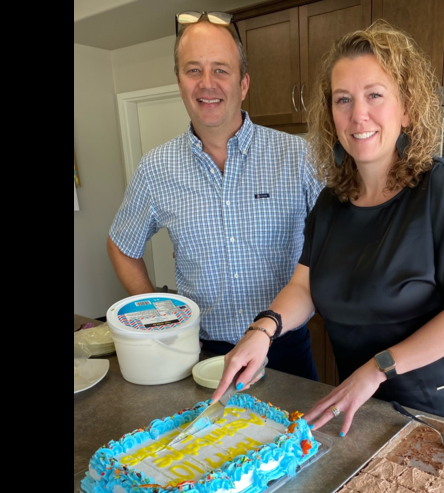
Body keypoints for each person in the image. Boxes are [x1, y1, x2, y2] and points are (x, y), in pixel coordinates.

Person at [212, 20, 444, 436]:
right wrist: (262, 332)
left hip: (436, 405)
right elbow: (303, 287)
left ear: (407, 108)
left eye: (374, 95)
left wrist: (377, 369)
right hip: (361, 402)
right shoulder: (331, 202)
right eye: (343, 99)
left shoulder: (441, 186)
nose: (358, 115)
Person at [106, 11, 324, 381]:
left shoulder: (298, 157)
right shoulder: (155, 169)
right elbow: (122, 245)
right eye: (193, 70)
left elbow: (337, 242)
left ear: (243, 84)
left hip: (285, 351)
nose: (207, 84)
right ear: (179, 82)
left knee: (298, 439)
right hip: (202, 356)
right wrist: (161, 317)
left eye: (221, 70)